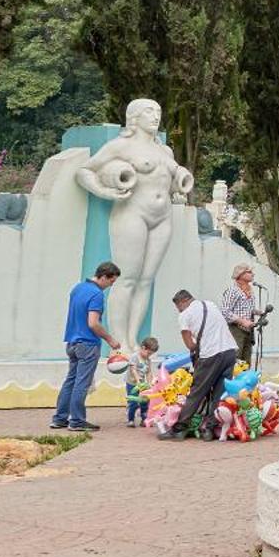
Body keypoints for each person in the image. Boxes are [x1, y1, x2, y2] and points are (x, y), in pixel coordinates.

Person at [74, 98, 195, 368]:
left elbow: (173, 184)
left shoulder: (165, 151)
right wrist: (106, 191)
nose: (155, 117)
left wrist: (180, 181)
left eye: (158, 111)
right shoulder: (121, 145)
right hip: (132, 213)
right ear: (134, 117)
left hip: (162, 217)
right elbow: (85, 171)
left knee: (145, 281)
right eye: (149, 112)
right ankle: (120, 343)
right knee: (127, 278)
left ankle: (133, 339)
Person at [160, 289, 240, 441]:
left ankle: (179, 429)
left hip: (210, 355)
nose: (179, 311)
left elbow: (189, 343)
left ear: (182, 302)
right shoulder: (210, 304)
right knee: (219, 392)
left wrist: (195, 348)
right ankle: (209, 429)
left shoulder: (185, 315)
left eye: (178, 307)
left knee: (197, 391)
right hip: (229, 351)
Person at [53, 262, 124, 432]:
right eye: (111, 282)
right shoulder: (96, 294)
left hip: (72, 342)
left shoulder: (77, 288)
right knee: (81, 383)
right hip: (88, 343)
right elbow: (93, 323)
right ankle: (77, 421)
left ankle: (60, 418)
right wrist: (110, 340)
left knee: (70, 380)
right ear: (104, 277)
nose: (110, 286)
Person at [221, 264, 260, 366]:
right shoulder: (232, 291)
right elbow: (225, 311)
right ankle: (234, 381)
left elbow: (246, 309)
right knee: (235, 359)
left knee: (246, 360)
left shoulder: (250, 289)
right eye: (249, 272)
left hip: (248, 331)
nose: (253, 274)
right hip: (235, 330)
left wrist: (258, 312)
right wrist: (242, 321)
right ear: (240, 274)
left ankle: (246, 381)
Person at [124, 337, 160, 428]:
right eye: (148, 353)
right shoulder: (135, 357)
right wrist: (137, 381)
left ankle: (144, 419)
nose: (149, 355)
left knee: (145, 401)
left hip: (142, 384)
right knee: (133, 402)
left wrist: (150, 383)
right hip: (132, 383)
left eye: (151, 354)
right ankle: (131, 420)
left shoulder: (148, 360)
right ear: (143, 348)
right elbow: (133, 370)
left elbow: (148, 372)